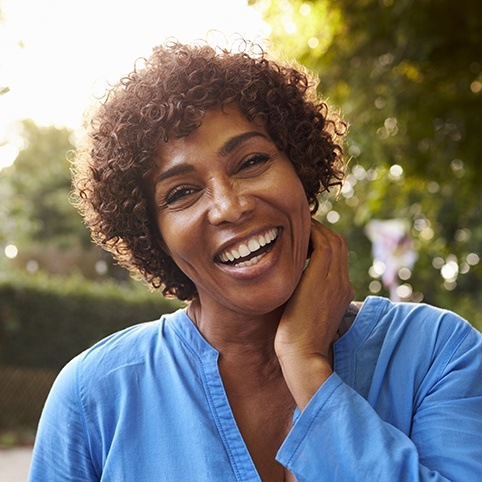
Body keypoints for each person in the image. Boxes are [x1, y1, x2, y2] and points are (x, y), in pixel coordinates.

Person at [28, 38, 482, 482]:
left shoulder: (436, 352)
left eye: (251, 162)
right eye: (182, 193)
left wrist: (306, 366)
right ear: (154, 237)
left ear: (302, 171)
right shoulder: (94, 396)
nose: (230, 207)